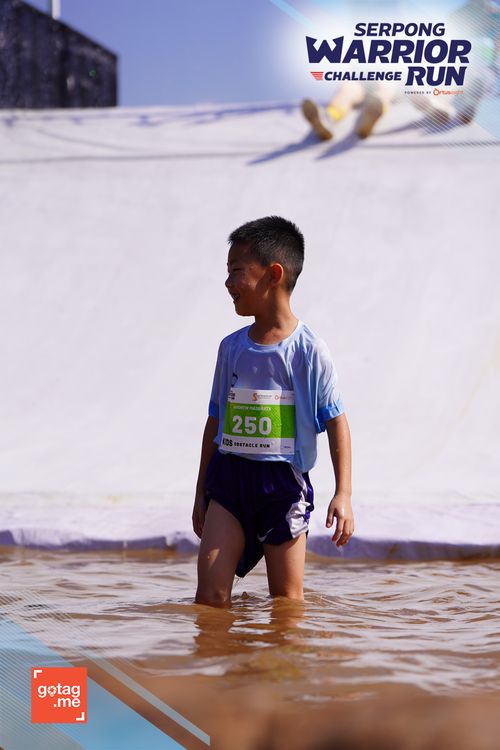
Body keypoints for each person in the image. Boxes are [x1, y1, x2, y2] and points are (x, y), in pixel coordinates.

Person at [192, 216, 354, 607]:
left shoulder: (309, 351)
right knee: (210, 597)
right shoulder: (231, 348)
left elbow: (337, 422)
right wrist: (200, 491)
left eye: (236, 271)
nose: (228, 282)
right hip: (229, 480)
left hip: (283, 487)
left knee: (286, 603)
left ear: (273, 275)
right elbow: (215, 421)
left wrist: (343, 493)